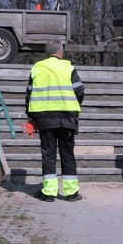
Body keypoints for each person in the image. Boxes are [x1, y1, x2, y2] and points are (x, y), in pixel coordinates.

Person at [25, 39, 85, 202]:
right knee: (67, 154)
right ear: (60, 52)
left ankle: (49, 193)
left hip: (44, 119)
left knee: (48, 155)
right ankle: (71, 193)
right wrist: (73, 106)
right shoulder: (68, 67)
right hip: (67, 118)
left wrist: (31, 118)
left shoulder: (37, 68)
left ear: (47, 53)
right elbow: (79, 91)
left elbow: (29, 94)